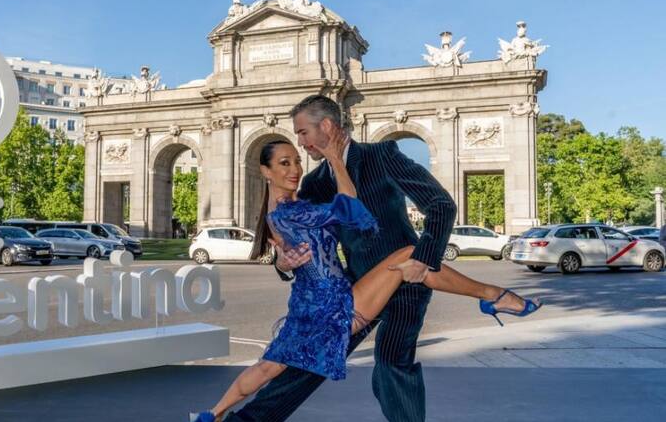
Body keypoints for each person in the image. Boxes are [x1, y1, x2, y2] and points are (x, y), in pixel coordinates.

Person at [190, 136, 541, 422]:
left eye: (297, 159)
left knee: (270, 367)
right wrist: (336, 160)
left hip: (316, 303)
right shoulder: (295, 208)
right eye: (285, 162)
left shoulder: (282, 210)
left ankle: (214, 415)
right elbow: (349, 208)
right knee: (407, 256)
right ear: (264, 171)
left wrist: (283, 260)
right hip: (335, 304)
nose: (296, 167)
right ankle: (493, 294)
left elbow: (288, 248)